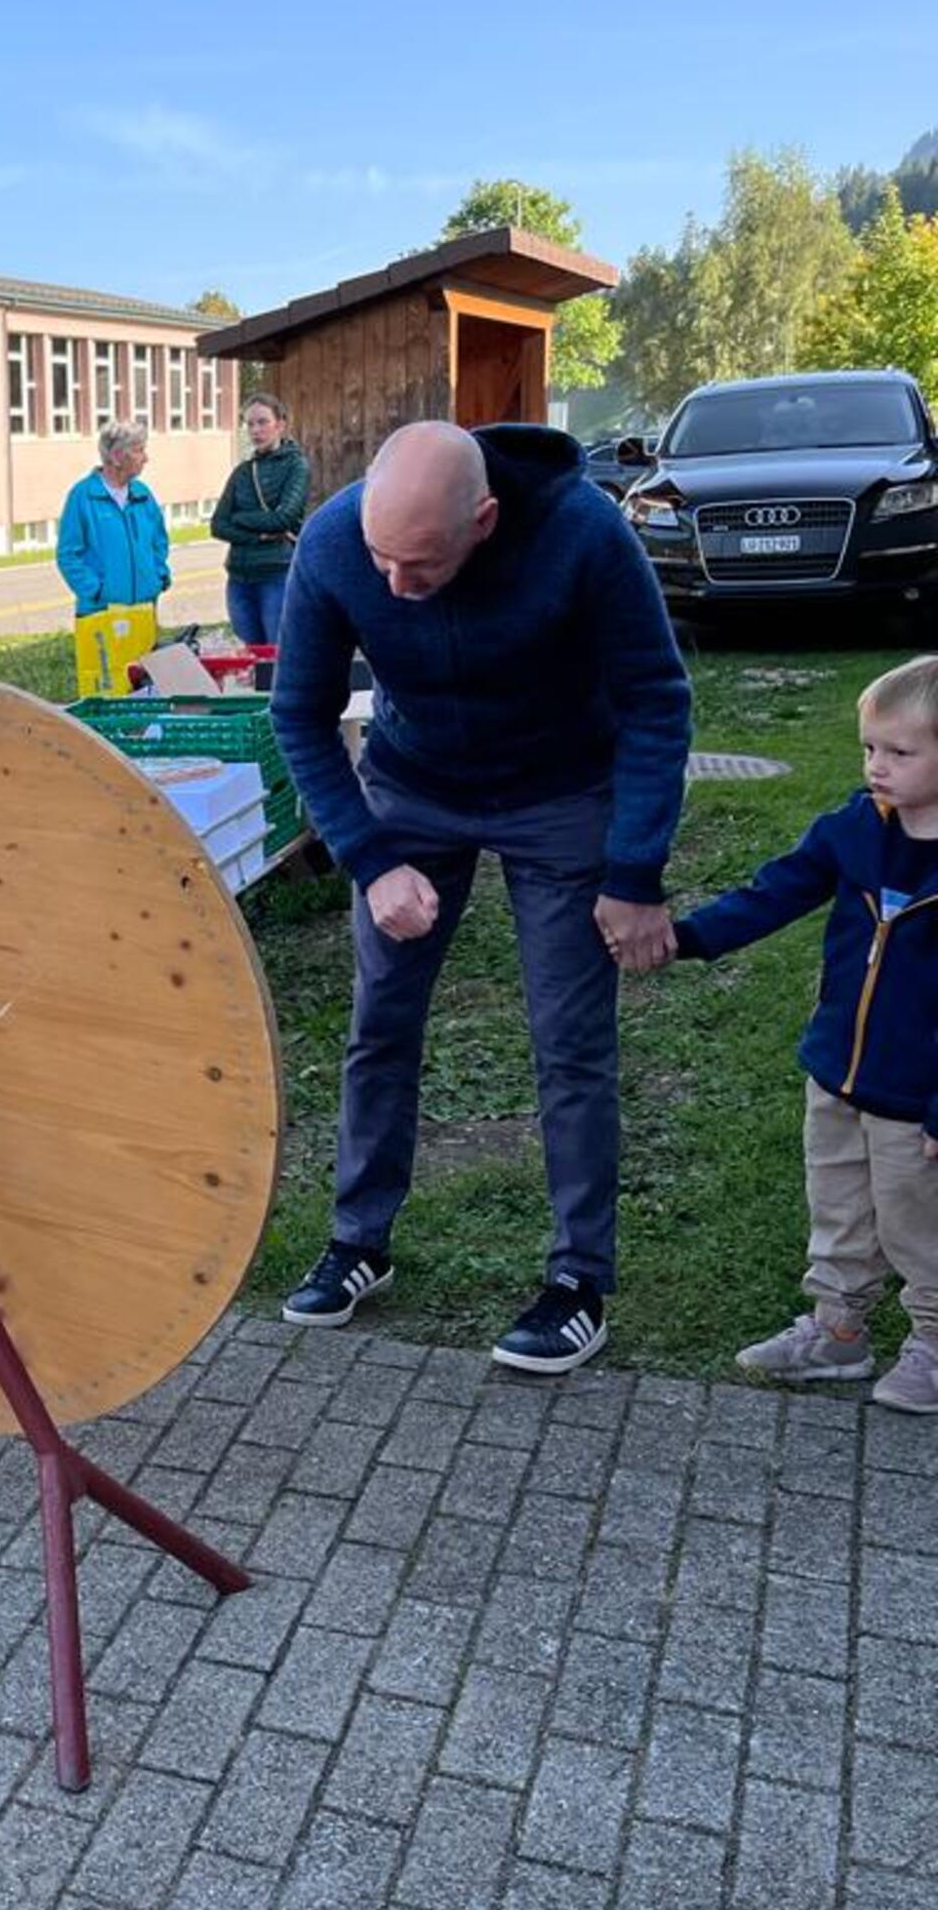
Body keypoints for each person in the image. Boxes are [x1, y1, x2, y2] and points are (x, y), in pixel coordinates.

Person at [270, 420, 691, 1373]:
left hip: (560, 795)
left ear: (486, 520)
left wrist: (633, 873)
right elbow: (298, 713)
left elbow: (656, 701)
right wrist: (370, 859)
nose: (393, 586)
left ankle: (578, 1281)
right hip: (414, 790)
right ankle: (359, 1240)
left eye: (419, 564)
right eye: (381, 558)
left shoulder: (584, 534)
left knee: (570, 1041)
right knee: (380, 1023)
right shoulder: (336, 542)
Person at [672, 656, 938, 1413]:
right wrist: (686, 938)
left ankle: (934, 1341)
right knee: (839, 1205)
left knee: (917, 1219)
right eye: (869, 748)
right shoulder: (855, 829)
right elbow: (775, 892)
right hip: (837, 1071)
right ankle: (838, 1332)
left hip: (915, 1095)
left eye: (900, 752)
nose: (877, 766)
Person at [209, 393, 309, 647]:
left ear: (280, 424)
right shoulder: (243, 472)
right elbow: (218, 525)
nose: (255, 430)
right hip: (239, 577)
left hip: (277, 573)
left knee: (277, 652)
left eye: (263, 422)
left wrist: (239, 517)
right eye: (250, 424)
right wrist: (257, 535)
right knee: (248, 657)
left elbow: (283, 519)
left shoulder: (296, 466)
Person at [56, 421, 171, 621]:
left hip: (144, 609)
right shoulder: (82, 496)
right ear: (117, 456)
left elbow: (159, 542)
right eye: (139, 451)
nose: (145, 458)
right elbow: (68, 555)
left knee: (147, 644)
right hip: (100, 614)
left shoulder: (143, 494)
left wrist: (158, 576)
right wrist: (97, 591)